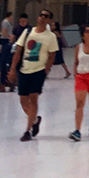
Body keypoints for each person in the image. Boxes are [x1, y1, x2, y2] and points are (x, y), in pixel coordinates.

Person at [9, 8, 58, 140]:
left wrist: (45, 71)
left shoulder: (50, 37)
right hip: (25, 70)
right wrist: (13, 69)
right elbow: (18, 51)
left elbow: (52, 55)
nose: (42, 17)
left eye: (45, 16)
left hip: (38, 71)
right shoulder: (28, 32)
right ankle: (35, 120)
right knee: (23, 100)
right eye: (40, 14)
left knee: (33, 99)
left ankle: (27, 130)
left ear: (49, 20)